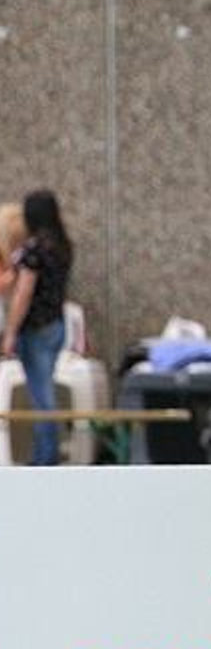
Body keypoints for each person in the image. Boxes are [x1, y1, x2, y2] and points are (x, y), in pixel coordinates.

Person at [1, 191, 75, 466]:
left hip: (35, 329)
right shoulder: (63, 246)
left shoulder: (34, 250)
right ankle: (48, 451)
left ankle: (46, 457)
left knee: (41, 397)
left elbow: (23, 293)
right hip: (56, 325)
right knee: (46, 392)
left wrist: (10, 332)